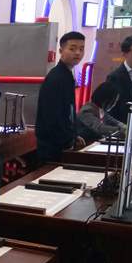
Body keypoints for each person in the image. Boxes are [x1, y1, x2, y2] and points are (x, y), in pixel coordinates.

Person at [35, 32, 87, 165]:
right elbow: (52, 116)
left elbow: (68, 111)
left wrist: (73, 135)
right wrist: (66, 141)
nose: (77, 53)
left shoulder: (67, 75)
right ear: (61, 51)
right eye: (72, 48)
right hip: (53, 146)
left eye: (81, 49)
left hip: (63, 142)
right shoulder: (55, 79)